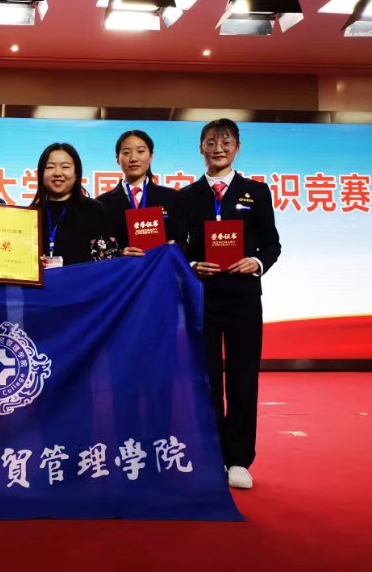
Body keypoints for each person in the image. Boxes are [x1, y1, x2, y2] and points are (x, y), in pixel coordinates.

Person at [180, 118, 281, 490]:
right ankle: (211, 455)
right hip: (202, 298)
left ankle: (238, 459)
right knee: (206, 379)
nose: (217, 148)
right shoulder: (187, 196)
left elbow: (272, 244)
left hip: (243, 299)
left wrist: (256, 262)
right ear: (201, 148)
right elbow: (179, 247)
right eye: (210, 142)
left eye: (225, 142)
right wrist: (192, 264)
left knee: (242, 377)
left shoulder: (256, 192)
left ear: (237, 147)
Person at [97, 129, 185, 257]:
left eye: (141, 151)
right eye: (126, 153)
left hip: (160, 267)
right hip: (123, 269)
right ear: (117, 159)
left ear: (151, 156)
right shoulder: (101, 203)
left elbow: (183, 240)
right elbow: (98, 248)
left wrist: (174, 246)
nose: (133, 158)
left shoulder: (172, 198)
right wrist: (118, 253)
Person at [30, 142, 117, 266]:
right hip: (42, 280)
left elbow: (107, 261)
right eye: (50, 167)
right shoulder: (29, 214)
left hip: (84, 279)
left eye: (65, 167)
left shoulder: (94, 210)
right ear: (41, 174)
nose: (57, 173)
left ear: (76, 174)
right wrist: (33, 265)